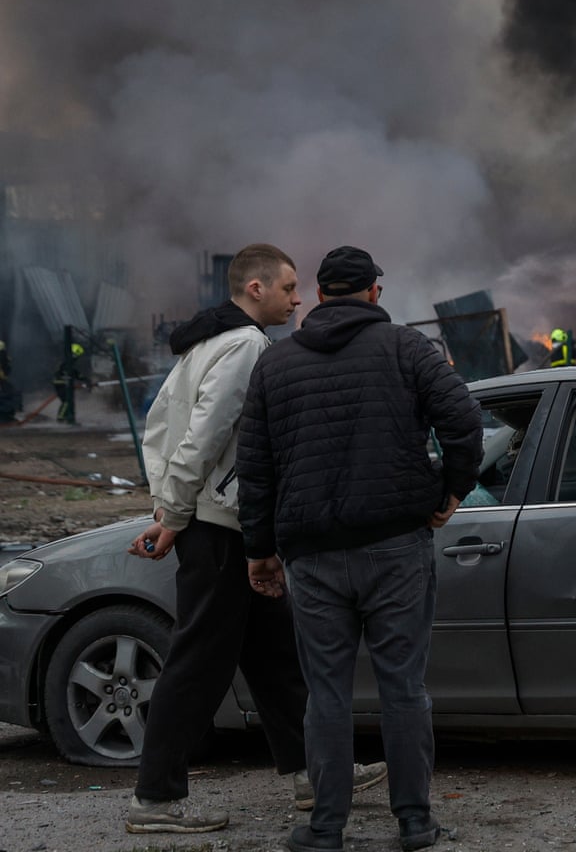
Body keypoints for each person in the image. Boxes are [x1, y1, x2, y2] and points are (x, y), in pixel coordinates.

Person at [124, 243, 387, 835]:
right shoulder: (245, 347)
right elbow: (203, 434)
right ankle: (155, 801)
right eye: (290, 289)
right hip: (218, 527)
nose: (300, 300)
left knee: (273, 656)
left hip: (226, 522)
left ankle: (313, 774)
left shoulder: (210, 343)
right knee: (197, 663)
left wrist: (172, 505)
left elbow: (160, 424)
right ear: (255, 290)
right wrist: (173, 513)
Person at [237, 245, 484, 852]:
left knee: (326, 694)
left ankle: (325, 828)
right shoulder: (408, 349)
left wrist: (259, 550)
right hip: (396, 545)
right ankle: (415, 823)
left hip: (313, 556)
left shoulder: (276, 363)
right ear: (375, 292)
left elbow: (256, 467)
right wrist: (451, 490)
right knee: (403, 687)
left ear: (319, 295)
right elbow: (465, 423)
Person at [52, 342, 86, 422]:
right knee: (66, 401)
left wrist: (83, 378)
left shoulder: (68, 362)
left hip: (64, 383)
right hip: (60, 383)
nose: (77, 359)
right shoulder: (65, 363)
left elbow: (74, 372)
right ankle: (61, 418)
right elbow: (69, 373)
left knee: (68, 401)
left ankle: (66, 416)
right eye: (77, 356)